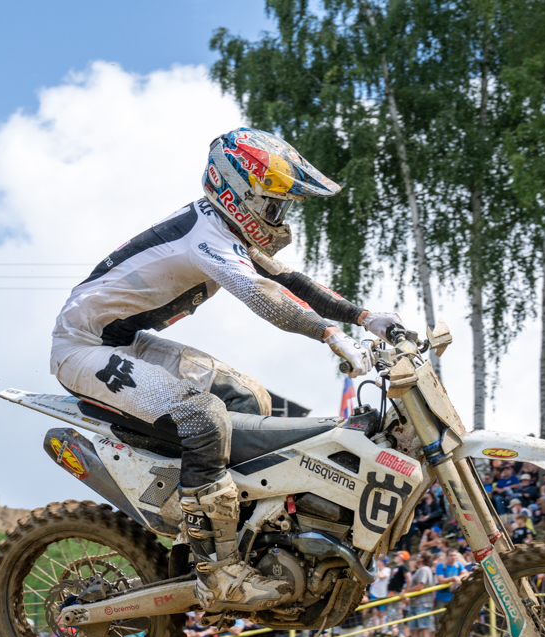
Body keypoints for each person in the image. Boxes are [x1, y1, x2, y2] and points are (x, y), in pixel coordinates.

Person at [51, 127, 399, 611]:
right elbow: (264, 297)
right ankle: (217, 571)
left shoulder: (223, 227)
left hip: (125, 342)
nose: (279, 218)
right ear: (242, 193)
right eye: (274, 206)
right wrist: (330, 335)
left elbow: (291, 281)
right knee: (205, 417)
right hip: (82, 347)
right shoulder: (208, 237)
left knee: (247, 399)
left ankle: (245, 532)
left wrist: (364, 317)